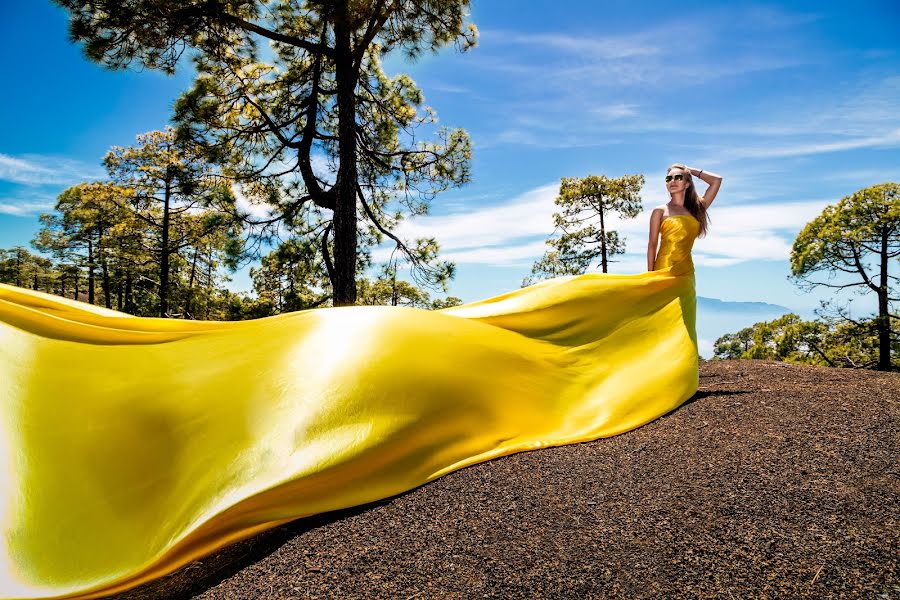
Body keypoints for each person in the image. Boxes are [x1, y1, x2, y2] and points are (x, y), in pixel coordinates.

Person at [0, 164, 722, 599]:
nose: (677, 188)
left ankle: (671, 358)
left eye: (681, 182)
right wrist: (646, 268)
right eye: (671, 182)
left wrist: (700, 178)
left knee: (677, 336)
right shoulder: (660, 217)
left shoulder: (699, 212)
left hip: (682, 286)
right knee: (648, 328)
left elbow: (719, 190)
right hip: (657, 281)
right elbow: (651, 255)